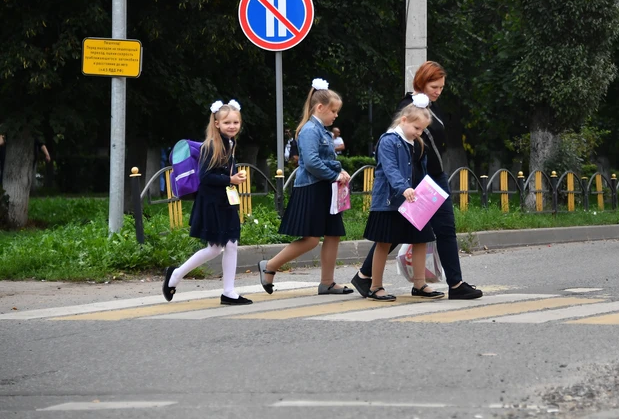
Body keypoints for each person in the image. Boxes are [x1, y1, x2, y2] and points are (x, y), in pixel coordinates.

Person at [352, 61, 483, 300]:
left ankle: (453, 284)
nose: (438, 91)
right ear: (421, 82)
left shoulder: (433, 107)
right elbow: (396, 159)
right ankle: (367, 277)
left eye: (442, 87)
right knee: (391, 233)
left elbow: (427, 148)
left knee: (437, 230)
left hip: (431, 179)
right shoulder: (408, 109)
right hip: (412, 183)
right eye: (434, 86)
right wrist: (405, 185)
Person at [259, 78, 353, 296]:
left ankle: (327, 282)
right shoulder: (310, 130)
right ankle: (270, 265)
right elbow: (310, 162)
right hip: (312, 188)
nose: (336, 115)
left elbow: (324, 159)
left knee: (333, 234)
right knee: (311, 239)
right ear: (320, 107)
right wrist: (334, 175)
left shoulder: (322, 130)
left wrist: (340, 171)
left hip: (325, 188)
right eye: (333, 111)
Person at [163, 100, 251, 305]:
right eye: (227, 122)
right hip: (212, 202)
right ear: (217, 123)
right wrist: (231, 179)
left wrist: (232, 175)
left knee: (230, 245)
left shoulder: (229, 143)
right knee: (215, 248)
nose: (232, 126)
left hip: (224, 201)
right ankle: (175, 275)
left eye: (236, 122)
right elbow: (205, 177)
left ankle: (228, 292)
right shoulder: (212, 145)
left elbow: (219, 173)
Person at [361, 98, 443, 301]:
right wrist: (403, 187)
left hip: (414, 200)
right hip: (390, 201)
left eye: (422, 129)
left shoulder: (417, 142)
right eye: (416, 127)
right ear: (404, 120)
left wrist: (426, 191)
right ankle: (375, 286)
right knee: (384, 242)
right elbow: (390, 169)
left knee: (421, 240)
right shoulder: (388, 140)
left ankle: (419, 284)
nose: (419, 133)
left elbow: (420, 170)